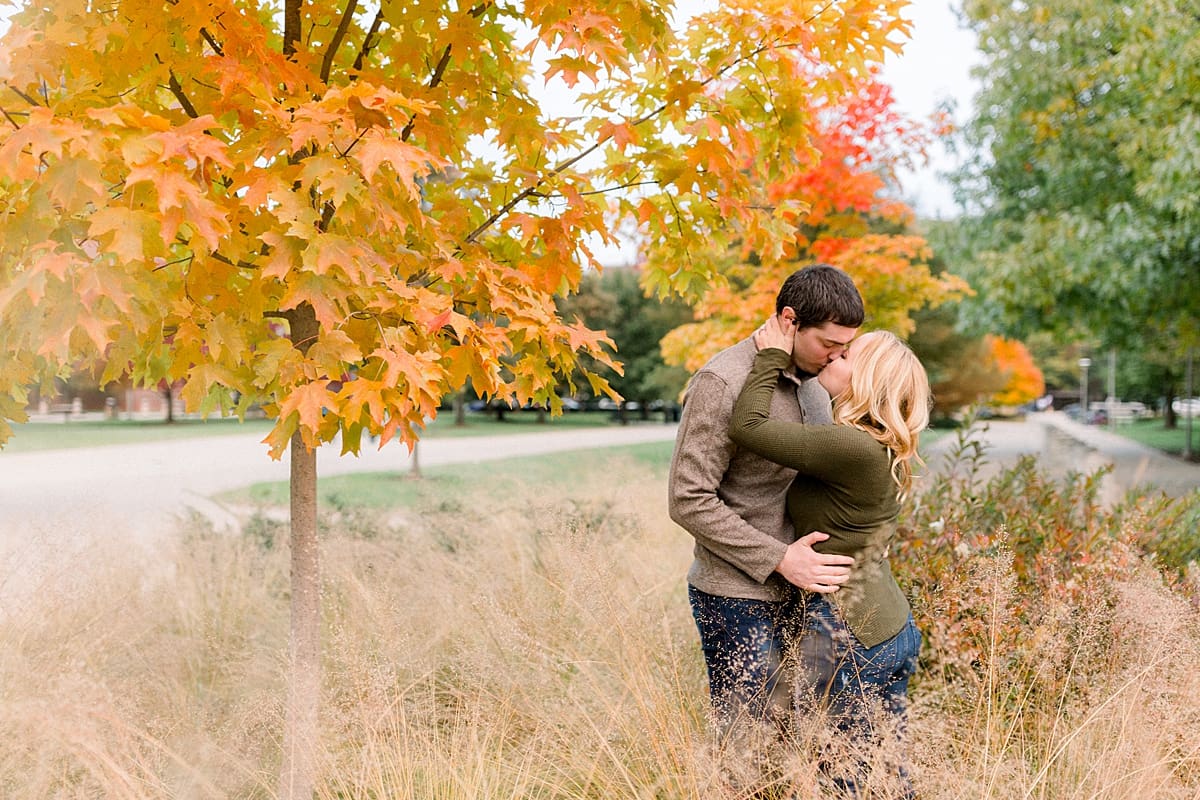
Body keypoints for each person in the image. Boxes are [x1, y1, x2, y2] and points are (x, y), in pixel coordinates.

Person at [728, 317, 931, 799]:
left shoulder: (850, 445)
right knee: (885, 778)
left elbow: (747, 426)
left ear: (866, 381)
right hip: (885, 629)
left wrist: (772, 357)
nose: (834, 356)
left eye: (846, 356)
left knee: (845, 780)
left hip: (853, 638)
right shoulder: (871, 443)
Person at [667, 265, 864, 753]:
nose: (839, 356)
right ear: (790, 320)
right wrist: (779, 557)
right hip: (735, 595)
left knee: (800, 746)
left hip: (807, 595)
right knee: (747, 750)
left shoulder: (820, 382)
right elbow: (687, 497)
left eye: (847, 346)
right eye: (829, 344)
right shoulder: (724, 380)